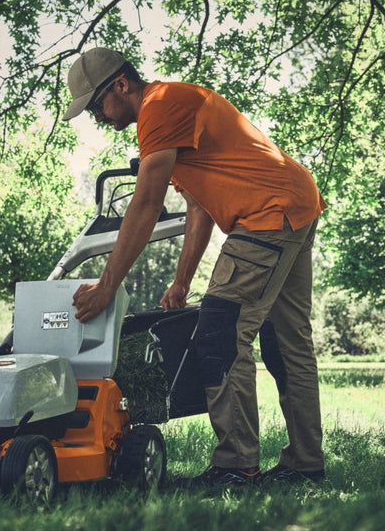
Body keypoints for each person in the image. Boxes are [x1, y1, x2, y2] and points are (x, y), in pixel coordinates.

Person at [63, 47, 326, 485]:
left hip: (268, 214)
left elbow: (146, 204)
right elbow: (199, 209)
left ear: (121, 85)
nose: (97, 118)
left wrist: (107, 286)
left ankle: (236, 465)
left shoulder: (161, 106)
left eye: (95, 106)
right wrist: (181, 282)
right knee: (286, 342)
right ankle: (306, 463)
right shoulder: (171, 114)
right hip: (294, 204)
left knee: (220, 328)